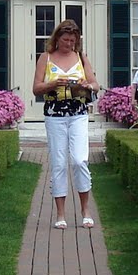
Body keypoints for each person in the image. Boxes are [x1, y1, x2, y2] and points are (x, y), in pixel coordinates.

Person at [33, 19, 100, 229]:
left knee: (80, 160)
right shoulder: (46, 57)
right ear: (57, 38)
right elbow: (36, 88)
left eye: (73, 40)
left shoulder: (81, 57)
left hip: (78, 113)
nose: (69, 44)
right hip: (55, 114)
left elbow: (95, 84)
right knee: (59, 163)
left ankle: (85, 209)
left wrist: (87, 85)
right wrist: (53, 83)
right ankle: (61, 214)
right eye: (65, 40)